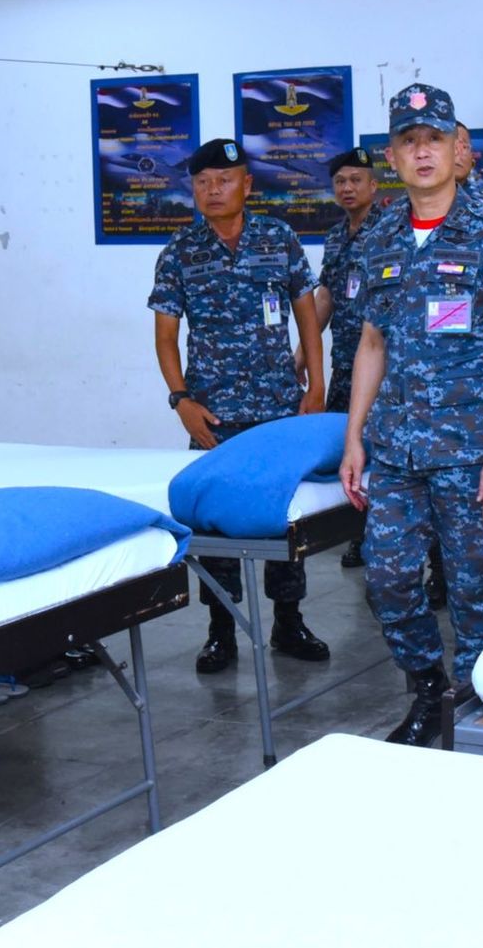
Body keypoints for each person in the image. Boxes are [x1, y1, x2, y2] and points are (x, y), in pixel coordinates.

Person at [340, 83, 483, 748]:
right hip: (396, 449)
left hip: (472, 451)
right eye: (408, 141)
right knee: (389, 577)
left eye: (434, 139)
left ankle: (477, 711)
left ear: (458, 148)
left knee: (474, 587)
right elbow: (371, 343)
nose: (422, 152)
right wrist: (354, 439)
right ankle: (429, 690)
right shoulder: (381, 236)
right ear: (392, 154)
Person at [149, 138, 330, 673]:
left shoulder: (279, 237)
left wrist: (316, 386)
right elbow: (165, 337)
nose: (212, 191)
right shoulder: (180, 251)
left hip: (279, 406)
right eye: (202, 183)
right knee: (213, 525)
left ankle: (289, 622)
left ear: (246, 184)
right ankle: (220, 629)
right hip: (213, 414)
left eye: (223, 180)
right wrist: (181, 400)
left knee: (282, 516)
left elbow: (307, 316)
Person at [308, 146, 379, 568]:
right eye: (340, 182)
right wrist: (305, 351)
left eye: (356, 180)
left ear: (374, 185)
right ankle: (358, 533)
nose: (347, 188)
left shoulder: (391, 230)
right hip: (345, 366)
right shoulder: (336, 236)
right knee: (346, 448)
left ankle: (389, 538)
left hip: (383, 367)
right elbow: (327, 296)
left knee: (382, 452)